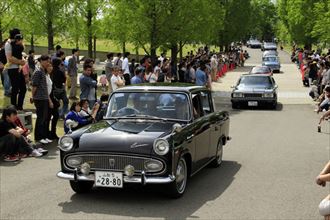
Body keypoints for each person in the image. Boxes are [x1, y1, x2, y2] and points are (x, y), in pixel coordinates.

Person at [31, 55, 53, 144]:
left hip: (44, 98)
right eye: (46, 61)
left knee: (44, 118)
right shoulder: (38, 72)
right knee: (40, 118)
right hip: (39, 98)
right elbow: (34, 86)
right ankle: (39, 137)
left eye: (49, 61)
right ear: (41, 61)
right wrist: (33, 96)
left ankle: (43, 136)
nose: (48, 63)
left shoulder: (43, 71)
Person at [5, 29, 26, 110]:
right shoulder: (8, 43)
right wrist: (20, 62)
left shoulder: (18, 43)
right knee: (15, 89)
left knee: (23, 89)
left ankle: (19, 107)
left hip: (19, 69)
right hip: (12, 69)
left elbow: (21, 52)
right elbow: (9, 58)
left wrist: (22, 61)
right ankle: (13, 108)